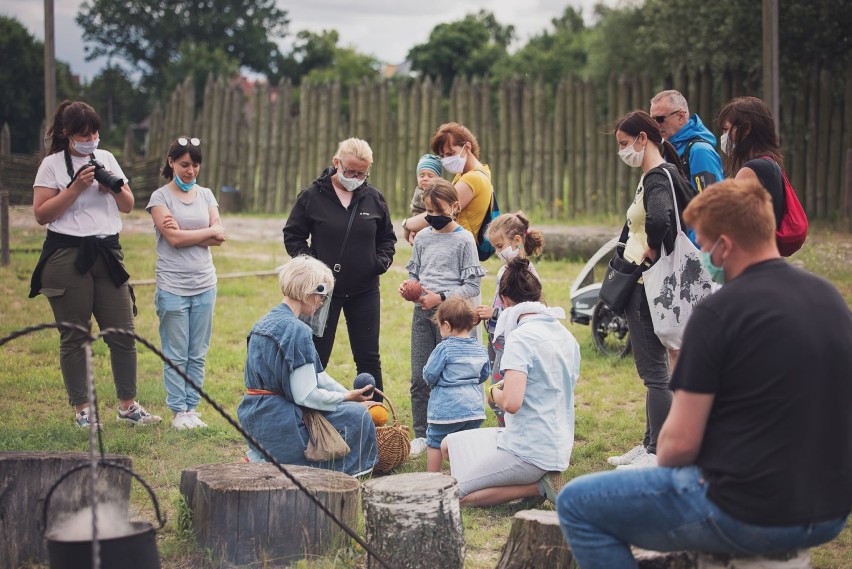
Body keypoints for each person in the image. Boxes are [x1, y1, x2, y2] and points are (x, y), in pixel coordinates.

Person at [557, 178, 852, 569]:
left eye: (704, 244)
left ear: (725, 245)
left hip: (749, 509)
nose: (702, 255)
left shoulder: (718, 312)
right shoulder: (830, 298)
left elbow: (677, 445)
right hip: (829, 509)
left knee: (577, 503)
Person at [30, 100, 161, 428]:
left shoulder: (106, 158)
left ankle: (128, 405)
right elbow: (41, 214)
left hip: (107, 252)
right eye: (83, 134)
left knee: (123, 331)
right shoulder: (51, 166)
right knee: (75, 335)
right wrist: (75, 188)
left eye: (95, 133)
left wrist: (110, 188)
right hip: (67, 255)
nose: (91, 139)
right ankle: (83, 410)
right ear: (66, 133)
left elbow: (129, 204)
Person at [443, 257, 579, 506]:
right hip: (553, 442)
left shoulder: (521, 337)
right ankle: (532, 481)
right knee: (447, 446)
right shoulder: (565, 335)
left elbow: (512, 403)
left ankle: (537, 486)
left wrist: (493, 392)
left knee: (456, 495)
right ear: (538, 296)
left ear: (505, 301)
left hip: (529, 450)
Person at [606, 110, 696, 470]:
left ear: (644, 138)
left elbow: (660, 218)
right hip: (645, 282)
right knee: (656, 371)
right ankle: (649, 443)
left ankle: (658, 450)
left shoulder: (658, 177)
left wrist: (652, 249)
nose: (623, 152)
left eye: (625, 144)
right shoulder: (663, 174)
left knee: (654, 374)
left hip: (645, 283)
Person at [237, 255, 378, 475]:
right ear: (310, 292)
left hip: (254, 416)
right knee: (357, 417)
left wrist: (350, 394)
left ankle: (262, 455)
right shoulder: (297, 330)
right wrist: (347, 400)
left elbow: (317, 375)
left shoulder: (264, 322)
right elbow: (306, 395)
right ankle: (345, 471)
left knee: (351, 408)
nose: (322, 302)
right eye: (321, 296)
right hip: (282, 421)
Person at [283, 138, 396, 401]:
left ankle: (375, 416)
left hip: (365, 290)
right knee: (315, 354)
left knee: (368, 356)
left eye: (361, 173)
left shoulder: (374, 198)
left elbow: (387, 238)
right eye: (350, 171)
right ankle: (309, 411)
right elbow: (293, 236)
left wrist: (378, 263)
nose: (355, 178)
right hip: (321, 294)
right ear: (337, 163)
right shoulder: (312, 196)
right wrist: (314, 270)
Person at [403, 178, 486, 457]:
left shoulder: (464, 240)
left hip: (454, 319)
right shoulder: (423, 238)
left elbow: (472, 286)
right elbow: (415, 273)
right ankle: (422, 435)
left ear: (455, 206)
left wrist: (440, 296)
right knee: (420, 376)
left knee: (453, 376)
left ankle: (457, 433)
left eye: (440, 213)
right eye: (429, 213)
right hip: (422, 314)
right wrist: (410, 287)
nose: (434, 218)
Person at [147, 136, 225, 430]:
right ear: (171, 163)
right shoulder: (160, 198)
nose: (190, 170)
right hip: (172, 286)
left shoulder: (206, 195)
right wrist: (204, 233)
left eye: (194, 165)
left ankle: (192, 408)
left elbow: (220, 235)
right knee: (176, 352)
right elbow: (174, 240)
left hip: (205, 283)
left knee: (198, 352)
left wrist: (187, 234)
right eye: (183, 164)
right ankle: (178, 410)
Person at [474, 212, 544, 427]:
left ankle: (509, 430)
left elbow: (526, 311)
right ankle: (504, 429)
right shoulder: (504, 270)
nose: (497, 252)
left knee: (499, 391)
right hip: (496, 336)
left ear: (516, 241)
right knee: (496, 386)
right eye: (494, 247)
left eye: (499, 245)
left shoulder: (527, 274)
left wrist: (493, 314)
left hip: (510, 340)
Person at [422, 297, 490, 473]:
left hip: (446, 408)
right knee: (465, 443)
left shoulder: (444, 348)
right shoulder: (480, 349)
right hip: (474, 409)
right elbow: (484, 375)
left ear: (447, 325)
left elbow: (429, 373)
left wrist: (434, 383)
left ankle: (432, 480)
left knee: (435, 441)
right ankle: (466, 477)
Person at [401, 123, 493, 243]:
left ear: (467, 147)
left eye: (450, 153)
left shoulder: (472, 179)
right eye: (442, 155)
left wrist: (407, 224)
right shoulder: (476, 172)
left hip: (457, 248)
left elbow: (438, 213)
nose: (446, 160)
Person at [716, 96, 786, 227]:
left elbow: (731, 220)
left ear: (747, 129)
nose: (724, 136)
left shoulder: (752, 169)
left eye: (726, 129)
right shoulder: (770, 163)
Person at [649, 90, 724, 193]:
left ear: (681, 117)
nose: (656, 125)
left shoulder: (700, 151)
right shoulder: (667, 148)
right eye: (652, 120)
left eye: (660, 119)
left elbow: (712, 200)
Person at [401, 153, 443, 244]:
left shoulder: (439, 192)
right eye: (421, 175)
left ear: (439, 178)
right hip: (419, 223)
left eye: (430, 176)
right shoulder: (419, 192)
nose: (425, 179)